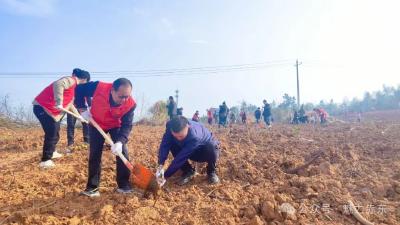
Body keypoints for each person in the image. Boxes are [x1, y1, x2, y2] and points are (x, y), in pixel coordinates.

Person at [75, 78, 136, 197]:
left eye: (127, 96)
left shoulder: (130, 104)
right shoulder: (99, 87)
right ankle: (92, 188)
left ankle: (124, 185)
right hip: (96, 123)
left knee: (122, 152)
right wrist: (82, 108)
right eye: (121, 96)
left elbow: (127, 125)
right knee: (95, 154)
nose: (124, 100)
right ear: (112, 90)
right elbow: (79, 89)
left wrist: (120, 141)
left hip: (115, 125)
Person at [33, 68, 89, 169]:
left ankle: (52, 152)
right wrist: (59, 102)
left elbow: (70, 105)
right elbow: (58, 84)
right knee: (52, 133)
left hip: (49, 112)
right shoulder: (71, 80)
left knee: (55, 132)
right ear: (84, 79)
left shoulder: (72, 90)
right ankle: (45, 160)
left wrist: (80, 117)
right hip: (43, 108)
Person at [155, 116, 220, 186]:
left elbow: (181, 158)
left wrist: (165, 175)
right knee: (172, 143)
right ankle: (188, 171)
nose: (178, 139)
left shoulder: (195, 136)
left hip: (203, 151)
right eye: (175, 136)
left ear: (187, 126)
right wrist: (160, 164)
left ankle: (211, 172)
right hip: (188, 148)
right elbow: (165, 144)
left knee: (212, 146)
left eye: (181, 136)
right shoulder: (171, 126)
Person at [67, 70, 91, 150]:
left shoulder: (85, 87)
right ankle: (70, 144)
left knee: (86, 124)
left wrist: (90, 107)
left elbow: (87, 97)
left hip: (82, 108)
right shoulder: (72, 85)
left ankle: (87, 142)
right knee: (70, 125)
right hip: (72, 107)